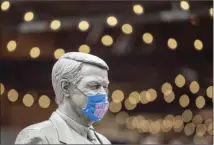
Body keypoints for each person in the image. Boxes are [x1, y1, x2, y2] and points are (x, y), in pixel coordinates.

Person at [15, 52, 111, 144]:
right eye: (94, 86)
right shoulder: (38, 137)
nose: (103, 94)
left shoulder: (104, 141)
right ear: (65, 87)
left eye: (105, 87)